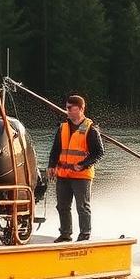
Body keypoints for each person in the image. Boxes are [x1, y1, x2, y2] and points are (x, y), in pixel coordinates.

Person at [46, 94, 104, 242]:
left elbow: (99, 152)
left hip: (81, 176)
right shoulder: (62, 127)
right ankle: (65, 234)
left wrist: (84, 164)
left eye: (71, 108)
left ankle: (85, 234)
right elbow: (55, 149)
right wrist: (51, 166)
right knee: (62, 206)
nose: (68, 111)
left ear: (81, 109)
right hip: (63, 175)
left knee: (82, 207)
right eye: (67, 108)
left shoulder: (91, 129)